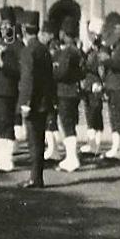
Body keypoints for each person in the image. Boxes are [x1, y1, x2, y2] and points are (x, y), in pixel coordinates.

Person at [18, 11, 57, 189]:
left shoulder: (28, 51)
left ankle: (35, 178)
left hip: (32, 102)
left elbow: (28, 79)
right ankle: (37, 176)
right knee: (39, 140)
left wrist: (25, 102)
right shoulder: (43, 49)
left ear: (24, 30)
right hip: (43, 101)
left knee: (33, 141)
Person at [0, 6, 23, 172]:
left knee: (7, 124)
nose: (4, 27)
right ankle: (1, 157)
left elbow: (19, 70)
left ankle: (7, 160)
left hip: (8, 90)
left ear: (13, 26)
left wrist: (2, 64)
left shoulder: (18, 45)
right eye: (2, 24)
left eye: (7, 24)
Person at [53, 16, 85, 172]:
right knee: (69, 124)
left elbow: (62, 72)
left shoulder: (67, 52)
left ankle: (72, 158)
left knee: (67, 124)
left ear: (63, 34)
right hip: (72, 92)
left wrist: (52, 73)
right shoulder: (77, 51)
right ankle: (71, 157)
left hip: (65, 91)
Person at [99, 14, 120, 160]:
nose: (118, 31)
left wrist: (109, 61)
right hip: (111, 84)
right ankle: (116, 145)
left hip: (119, 84)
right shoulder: (113, 45)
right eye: (116, 28)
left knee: (118, 115)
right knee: (113, 115)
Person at [80, 18, 105, 154]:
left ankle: (97, 143)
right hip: (88, 83)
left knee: (95, 113)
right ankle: (91, 142)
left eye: (91, 33)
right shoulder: (90, 49)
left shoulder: (99, 50)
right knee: (89, 112)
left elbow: (99, 68)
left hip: (95, 83)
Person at [38, 20, 61, 161]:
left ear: (50, 35)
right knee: (49, 119)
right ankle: (53, 148)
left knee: (50, 118)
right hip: (49, 87)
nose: (41, 36)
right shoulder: (48, 47)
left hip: (53, 88)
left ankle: (53, 149)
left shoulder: (53, 48)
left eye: (44, 33)